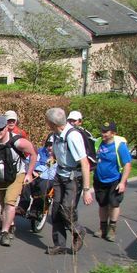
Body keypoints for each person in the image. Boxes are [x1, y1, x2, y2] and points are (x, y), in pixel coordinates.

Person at [0, 115, 37, 247]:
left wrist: (29, 174)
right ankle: (10, 225)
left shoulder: (18, 142)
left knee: (9, 201)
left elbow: (34, 153)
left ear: (6, 128)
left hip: (17, 174)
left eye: (0, 129)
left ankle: (4, 232)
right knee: (3, 203)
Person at [45, 107, 93, 255]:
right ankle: (59, 245)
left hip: (73, 178)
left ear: (53, 123)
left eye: (47, 122)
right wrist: (53, 158)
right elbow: (58, 152)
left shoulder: (73, 136)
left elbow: (85, 163)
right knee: (56, 211)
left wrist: (86, 190)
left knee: (67, 209)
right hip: (60, 174)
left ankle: (78, 231)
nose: (46, 124)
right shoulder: (55, 134)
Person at [93, 121, 132, 242]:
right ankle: (102, 227)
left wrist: (122, 182)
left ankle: (112, 228)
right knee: (102, 204)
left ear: (113, 133)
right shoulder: (98, 142)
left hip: (115, 179)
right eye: (102, 131)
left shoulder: (119, 145)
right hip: (100, 179)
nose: (103, 133)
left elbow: (127, 165)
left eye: (106, 131)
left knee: (114, 203)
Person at [16, 136, 56, 217]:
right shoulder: (40, 151)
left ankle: (36, 210)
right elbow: (28, 161)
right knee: (26, 184)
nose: (49, 147)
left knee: (42, 187)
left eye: (52, 145)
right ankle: (22, 207)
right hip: (36, 174)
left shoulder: (61, 155)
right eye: (48, 145)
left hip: (49, 177)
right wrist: (32, 172)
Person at [67, 110, 97, 211]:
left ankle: (71, 223)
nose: (71, 122)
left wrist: (86, 189)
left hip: (78, 171)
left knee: (72, 202)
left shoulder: (84, 135)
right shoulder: (64, 132)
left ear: (80, 122)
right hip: (65, 170)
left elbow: (88, 156)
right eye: (70, 120)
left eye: (74, 121)